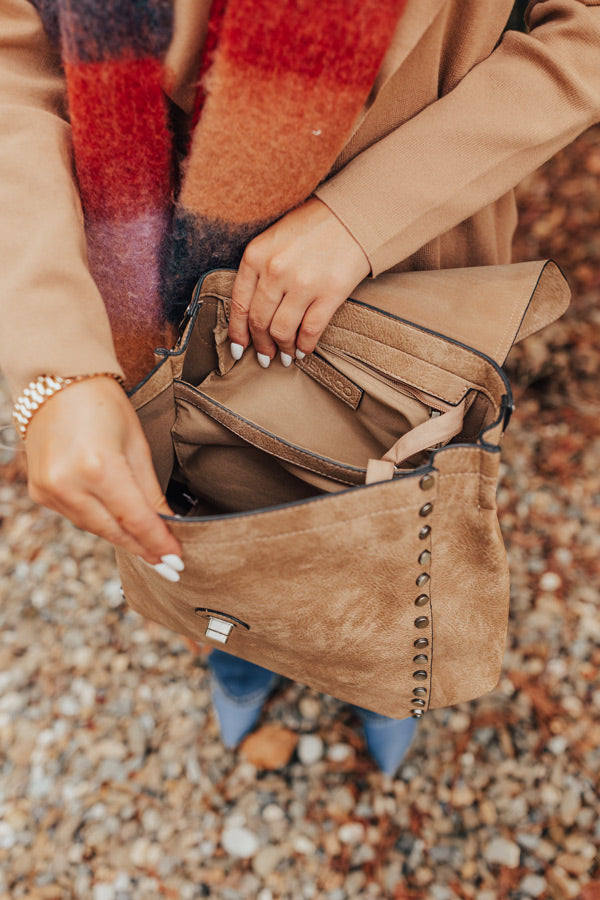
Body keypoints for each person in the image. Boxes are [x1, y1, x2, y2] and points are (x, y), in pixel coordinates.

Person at [1, 0, 599, 775]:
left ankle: (378, 676)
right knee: (208, 536)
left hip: (398, 282)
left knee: (376, 526)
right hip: (143, 287)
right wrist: (54, 365)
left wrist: (364, 216)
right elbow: (16, 57)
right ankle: (240, 659)